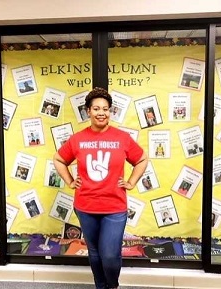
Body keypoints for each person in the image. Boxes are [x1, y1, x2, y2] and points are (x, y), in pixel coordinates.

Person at [53, 87, 148, 289]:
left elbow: (141, 159)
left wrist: (131, 182)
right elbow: (59, 159)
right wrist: (70, 181)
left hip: (114, 206)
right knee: (95, 252)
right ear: (88, 111)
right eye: (96, 108)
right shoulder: (78, 139)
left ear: (110, 111)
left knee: (110, 254)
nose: (101, 113)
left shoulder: (121, 138)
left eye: (105, 109)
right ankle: (100, 286)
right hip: (85, 206)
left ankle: (111, 285)